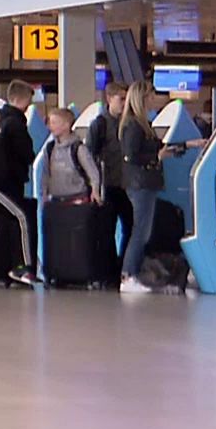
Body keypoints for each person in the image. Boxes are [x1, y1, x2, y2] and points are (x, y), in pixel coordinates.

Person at [117, 82, 165, 295]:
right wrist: (156, 157)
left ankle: (131, 274)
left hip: (143, 183)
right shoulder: (134, 125)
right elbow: (131, 156)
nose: (154, 99)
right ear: (143, 98)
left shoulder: (142, 124)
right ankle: (128, 275)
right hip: (140, 184)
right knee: (139, 232)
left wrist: (187, 145)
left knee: (142, 232)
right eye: (152, 95)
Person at [85, 83, 132, 260]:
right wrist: (94, 187)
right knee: (106, 230)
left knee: (131, 226)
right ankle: (109, 267)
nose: (124, 103)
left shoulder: (129, 123)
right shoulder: (100, 125)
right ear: (109, 98)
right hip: (108, 185)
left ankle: (123, 264)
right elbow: (89, 157)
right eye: (121, 99)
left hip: (125, 184)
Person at [37, 106, 102, 206]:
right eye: (50, 123)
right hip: (56, 200)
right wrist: (44, 194)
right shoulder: (50, 148)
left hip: (77, 199)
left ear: (66, 125)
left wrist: (95, 190)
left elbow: (92, 172)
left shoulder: (78, 149)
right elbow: (45, 174)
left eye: (54, 123)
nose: (50, 126)